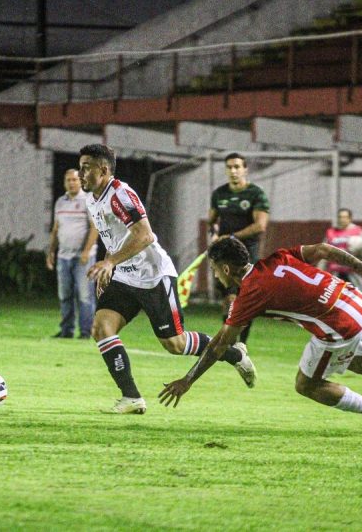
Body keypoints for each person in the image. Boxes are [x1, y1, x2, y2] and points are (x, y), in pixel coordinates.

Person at [159, 237, 362, 433]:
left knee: (307, 385)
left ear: (225, 269)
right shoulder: (278, 257)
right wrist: (360, 267)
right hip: (358, 303)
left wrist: (188, 380)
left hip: (339, 325)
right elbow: (322, 249)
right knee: (360, 361)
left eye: (213, 270)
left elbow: (221, 343)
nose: (215, 276)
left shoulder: (251, 293)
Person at [79, 144, 257, 415]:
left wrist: (110, 262)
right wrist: (110, 266)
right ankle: (131, 397)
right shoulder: (93, 198)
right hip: (125, 276)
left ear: (103, 170)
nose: (81, 173)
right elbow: (112, 236)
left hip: (153, 276)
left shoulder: (120, 195)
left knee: (175, 344)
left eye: (86, 168)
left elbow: (145, 235)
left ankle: (235, 354)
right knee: (101, 328)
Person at [208, 153, 270, 345]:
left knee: (239, 300)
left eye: (237, 167)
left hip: (245, 253)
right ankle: (232, 344)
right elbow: (212, 222)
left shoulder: (256, 194)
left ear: (245, 169)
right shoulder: (219, 194)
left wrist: (232, 237)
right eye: (229, 167)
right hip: (223, 254)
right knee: (227, 300)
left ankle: (238, 343)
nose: (233, 171)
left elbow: (260, 226)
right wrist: (214, 234)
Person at [47, 169, 98, 339]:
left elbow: (94, 228)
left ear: (81, 181)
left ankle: (85, 332)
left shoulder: (88, 201)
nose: (71, 183)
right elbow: (55, 229)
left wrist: (86, 251)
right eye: (68, 180)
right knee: (65, 295)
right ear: (64, 182)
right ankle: (66, 330)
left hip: (83, 257)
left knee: (85, 295)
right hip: (63, 256)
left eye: (75, 180)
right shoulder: (60, 202)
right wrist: (51, 252)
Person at [322, 208, 362, 300]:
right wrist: (321, 268)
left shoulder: (358, 232)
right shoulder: (331, 233)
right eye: (340, 217)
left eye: (345, 217)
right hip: (335, 271)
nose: (342, 219)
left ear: (350, 218)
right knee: (331, 297)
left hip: (352, 271)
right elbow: (323, 251)